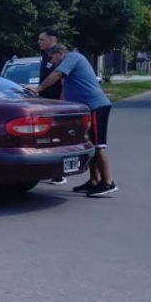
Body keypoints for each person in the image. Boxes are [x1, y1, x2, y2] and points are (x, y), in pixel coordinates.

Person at [25, 44, 117, 197]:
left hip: (96, 106)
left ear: (61, 53)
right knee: (91, 145)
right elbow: (65, 89)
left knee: (99, 145)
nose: (51, 62)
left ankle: (108, 182)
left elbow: (56, 74)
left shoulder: (72, 57)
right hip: (86, 109)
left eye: (52, 58)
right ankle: (94, 181)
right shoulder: (67, 67)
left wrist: (38, 89)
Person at [36, 27, 66, 185]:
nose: (38, 42)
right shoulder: (45, 56)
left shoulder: (61, 57)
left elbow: (61, 80)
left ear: (52, 40)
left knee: (57, 137)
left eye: (42, 39)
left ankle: (59, 173)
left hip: (57, 104)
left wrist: (61, 103)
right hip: (45, 103)